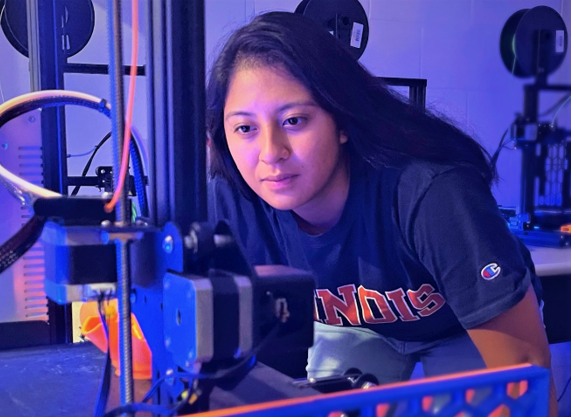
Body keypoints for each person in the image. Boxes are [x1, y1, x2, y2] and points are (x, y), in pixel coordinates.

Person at [205, 11, 556, 415]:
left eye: (294, 120)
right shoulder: (230, 202)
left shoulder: (432, 194)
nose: (271, 153)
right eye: (245, 129)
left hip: (462, 327)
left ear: (342, 122)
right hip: (355, 328)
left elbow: (523, 371)